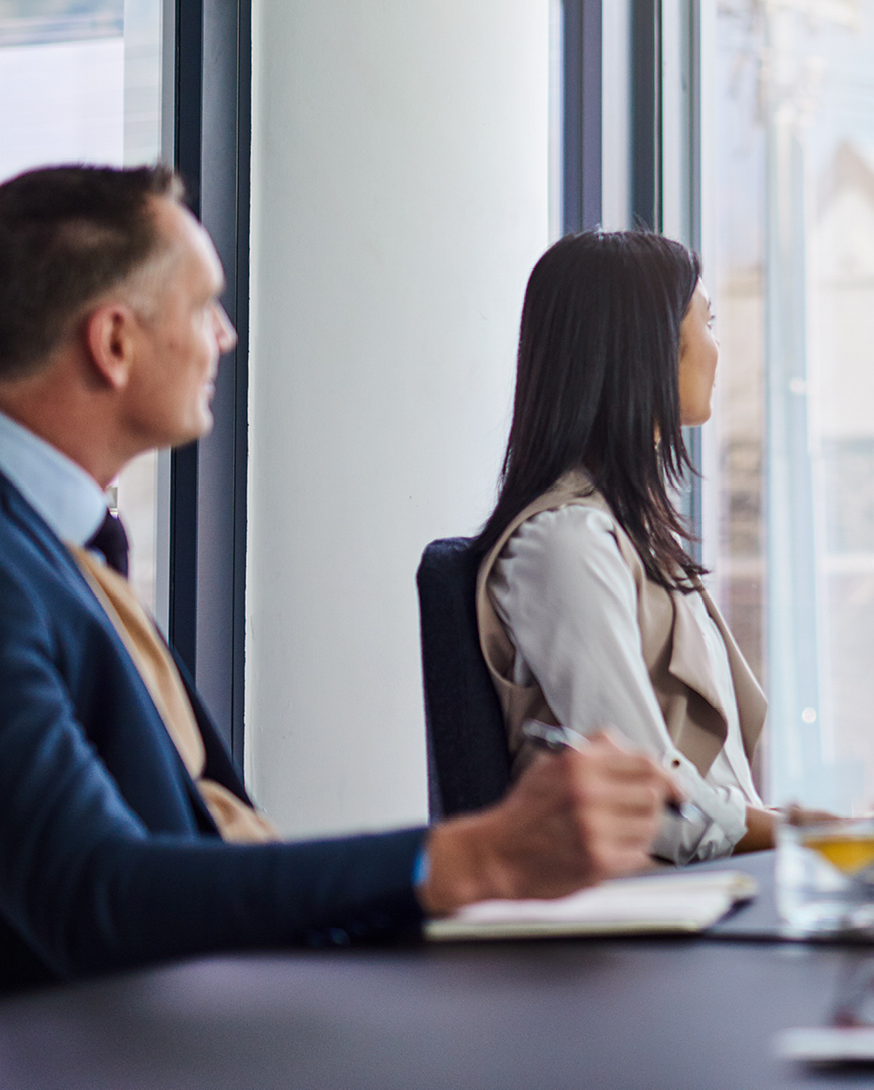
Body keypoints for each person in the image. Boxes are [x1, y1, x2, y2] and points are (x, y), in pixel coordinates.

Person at [0, 164, 677, 991]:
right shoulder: (16, 564)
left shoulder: (57, 544)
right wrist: (470, 857)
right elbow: (90, 893)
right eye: (202, 304)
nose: (226, 335)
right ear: (113, 343)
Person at [473, 231, 773, 863]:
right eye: (708, 322)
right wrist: (809, 833)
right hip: (649, 921)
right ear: (649, 349)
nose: (719, 348)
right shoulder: (565, 546)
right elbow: (645, 803)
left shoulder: (631, 537)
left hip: (710, 889)